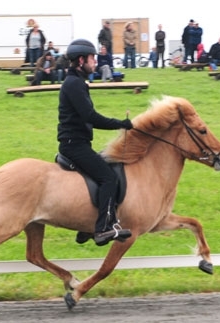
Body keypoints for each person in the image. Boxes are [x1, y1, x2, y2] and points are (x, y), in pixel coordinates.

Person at [57, 39, 133, 246]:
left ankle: (85, 229)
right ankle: (102, 229)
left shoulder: (75, 82)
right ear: (81, 60)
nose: (95, 63)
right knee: (109, 178)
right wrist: (121, 124)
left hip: (78, 143)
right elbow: (90, 116)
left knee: (106, 168)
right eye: (92, 59)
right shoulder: (75, 84)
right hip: (75, 145)